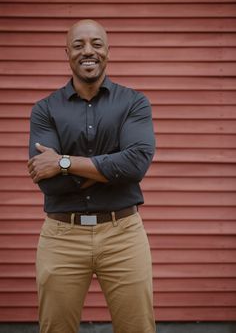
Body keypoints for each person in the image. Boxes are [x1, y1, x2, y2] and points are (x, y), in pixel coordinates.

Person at [28, 19, 156, 333]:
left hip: (123, 234)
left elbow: (135, 165)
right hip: (62, 236)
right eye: (79, 45)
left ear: (108, 51)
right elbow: (49, 180)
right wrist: (110, 166)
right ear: (67, 53)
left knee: (137, 328)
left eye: (96, 44)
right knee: (55, 328)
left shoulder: (133, 103)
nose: (88, 51)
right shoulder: (45, 110)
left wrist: (65, 163)